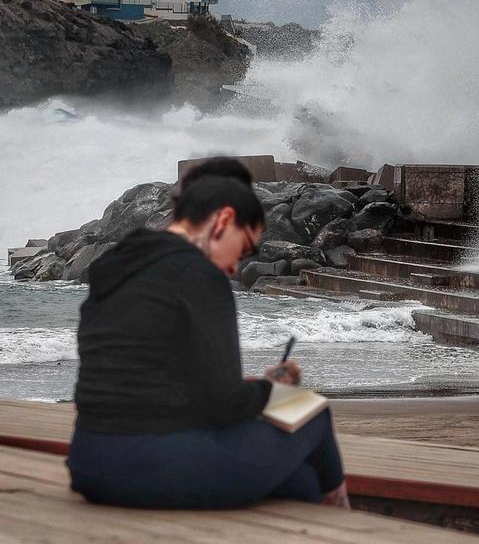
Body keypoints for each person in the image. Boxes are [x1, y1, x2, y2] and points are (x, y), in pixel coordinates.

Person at [67, 158, 348, 509]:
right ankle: (346, 518)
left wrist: (257, 388)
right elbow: (224, 404)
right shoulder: (199, 274)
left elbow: (165, 383)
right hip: (152, 463)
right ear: (224, 221)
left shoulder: (117, 266)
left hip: (90, 461)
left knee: (302, 484)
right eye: (244, 247)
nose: (235, 266)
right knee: (311, 412)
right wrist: (272, 392)